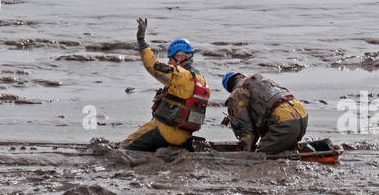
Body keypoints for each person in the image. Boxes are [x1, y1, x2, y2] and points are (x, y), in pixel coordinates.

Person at [119, 19, 210, 151]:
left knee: (125, 147)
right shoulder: (201, 80)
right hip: (183, 135)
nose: (169, 62)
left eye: (171, 58)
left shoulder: (181, 76)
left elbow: (153, 66)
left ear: (180, 57)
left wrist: (141, 41)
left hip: (165, 132)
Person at [221, 72, 308, 154]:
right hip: (302, 116)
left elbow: (247, 131)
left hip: (284, 125)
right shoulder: (262, 80)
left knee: (261, 154)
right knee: (285, 146)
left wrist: (246, 153)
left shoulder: (236, 95)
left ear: (229, 87)